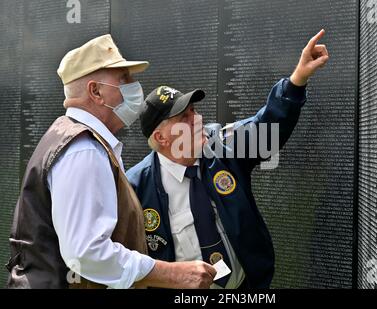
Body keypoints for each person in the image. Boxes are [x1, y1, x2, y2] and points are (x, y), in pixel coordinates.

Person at [6, 34, 216, 289]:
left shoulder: (77, 140)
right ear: (95, 91)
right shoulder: (83, 150)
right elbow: (86, 253)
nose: (134, 86)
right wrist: (172, 274)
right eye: (124, 78)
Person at [126, 30, 329, 288]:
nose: (197, 119)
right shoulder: (136, 187)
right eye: (184, 118)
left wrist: (297, 79)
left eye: (193, 111)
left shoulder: (222, 147)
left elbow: (264, 127)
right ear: (162, 137)